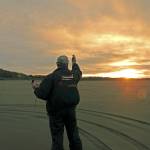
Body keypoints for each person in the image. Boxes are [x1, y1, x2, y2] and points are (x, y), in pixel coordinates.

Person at [32, 55, 83, 150]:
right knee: (73, 135)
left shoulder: (52, 77)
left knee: (57, 138)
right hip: (70, 111)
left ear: (57, 64)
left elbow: (42, 94)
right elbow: (78, 73)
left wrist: (35, 88)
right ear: (67, 64)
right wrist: (74, 63)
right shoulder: (72, 76)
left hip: (56, 112)